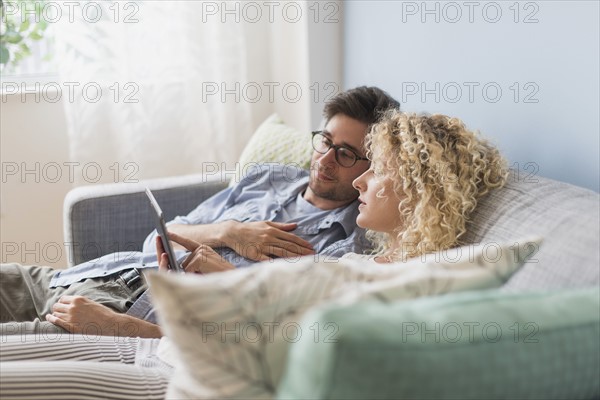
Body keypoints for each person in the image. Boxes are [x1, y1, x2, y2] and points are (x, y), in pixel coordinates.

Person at [0, 110, 509, 399]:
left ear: (417, 190)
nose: (356, 177)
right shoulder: (356, 258)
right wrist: (228, 236)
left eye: (372, 166)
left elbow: (274, 364)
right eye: (325, 143)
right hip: (140, 319)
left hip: (164, 358)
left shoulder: (368, 269)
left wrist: (140, 326)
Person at [0, 86, 400, 337]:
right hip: (96, 273)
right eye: (324, 141)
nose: (326, 160)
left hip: (122, 309)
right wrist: (229, 231)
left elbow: (279, 320)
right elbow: (159, 236)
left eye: (345, 153)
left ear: (374, 167)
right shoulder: (269, 178)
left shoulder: (347, 243)